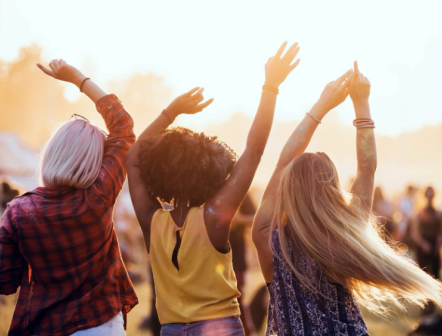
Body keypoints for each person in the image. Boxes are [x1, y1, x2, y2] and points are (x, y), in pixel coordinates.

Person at [252, 61, 442, 336]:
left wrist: (322, 105)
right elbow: (367, 170)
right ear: (332, 186)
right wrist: (361, 102)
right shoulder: (345, 234)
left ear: (287, 188)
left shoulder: (267, 240)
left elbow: (284, 161)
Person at [126, 41, 301, 336]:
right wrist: (270, 87)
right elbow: (253, 151)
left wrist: (170, 113)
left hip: (170, 329)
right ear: (212, 173)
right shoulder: (212, 217)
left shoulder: (152, 222)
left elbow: (133, 158)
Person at [0, 60, 138, 335]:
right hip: (102, 325)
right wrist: (78, 79)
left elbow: (4, 284)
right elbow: (122, 126)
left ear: (54, 153)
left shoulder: (17, 212)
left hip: (44, 327)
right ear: (94, 163)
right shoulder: (98, 197)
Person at [411, 186, 442, 315]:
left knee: (435, 275)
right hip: (423, 246)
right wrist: (424, 245)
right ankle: (423, 305)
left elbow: (440, 231)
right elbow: (415, 233)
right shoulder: (419, 213)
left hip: (434, 246)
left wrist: (438, 244)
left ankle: (433, 305)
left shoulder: (438, 213)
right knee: (422, 275)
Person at [229, 194, 257, 335]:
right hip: (210, 258)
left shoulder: (243, 192)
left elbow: (256, 218)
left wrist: (239, 219)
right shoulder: (209, 186)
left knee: (237, 302)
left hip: (236, 260)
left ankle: (246, 332)